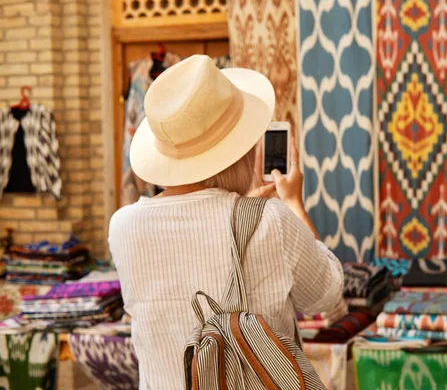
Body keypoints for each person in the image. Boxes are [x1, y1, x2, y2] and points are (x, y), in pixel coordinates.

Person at [108, 55, 344, 389]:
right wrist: (292, 204)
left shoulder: (122, 227)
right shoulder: (272, 220)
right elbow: (325, 295)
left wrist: (247, 208)